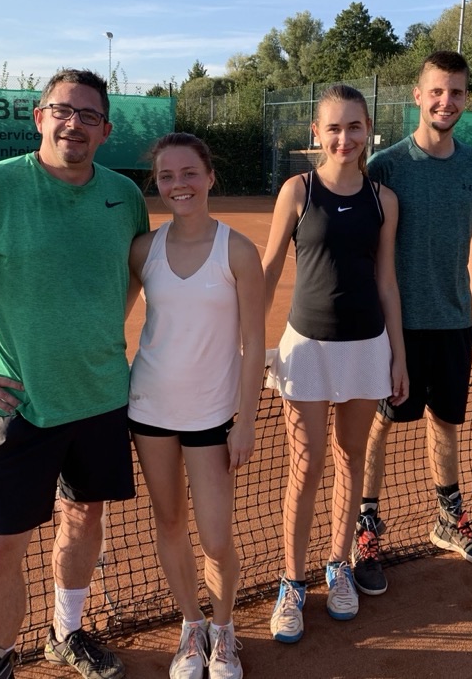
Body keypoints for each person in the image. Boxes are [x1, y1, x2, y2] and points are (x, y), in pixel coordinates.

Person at [0, 69, 148, 679]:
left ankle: (66, 634)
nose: (74, 124)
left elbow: (133, 273)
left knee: (85, 518)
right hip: (20, 407)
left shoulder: (125, 196)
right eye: (62, 111)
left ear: (105, 130)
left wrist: (96, 334)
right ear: (40, 118)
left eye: (89, 116)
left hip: (101, 398)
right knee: (1, 544)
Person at [350, 51, 472, 599]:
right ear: (418, 96)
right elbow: (363, 243)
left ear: (466, 98)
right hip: (398, 327)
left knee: (446, 422)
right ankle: (366, 529)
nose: (446, 101)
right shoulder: (386, 165)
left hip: (453, 323)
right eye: (437, 91)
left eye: (456, 92)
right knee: (380, 424)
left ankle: (448, 520)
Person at [262, 84, 408, 644]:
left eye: (354, 127)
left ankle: (339, 566)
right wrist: (247, 343)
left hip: (367, 348)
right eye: (333, 128)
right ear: (316, 133)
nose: (344, 138)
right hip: (306, 349)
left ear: (368, 130)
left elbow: (386, 282)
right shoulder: (297, 191)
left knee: (351, 460)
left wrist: (397, 356)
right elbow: (270, 269)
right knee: (306, 467)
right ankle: (292, 583)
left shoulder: (383, 200)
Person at [127, 132, 264, 679]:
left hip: (212, 416)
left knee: (216, 537)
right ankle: (191, 626)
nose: (178, 184)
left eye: (189, 173)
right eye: (166, 176)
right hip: (149, 409)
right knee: (169, 522)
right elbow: (110, 320)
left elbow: (254, 342)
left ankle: (223, 629)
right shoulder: (143, 250)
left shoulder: (239, 251)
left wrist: (246, 421)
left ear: (209, 177)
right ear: (157, 183)